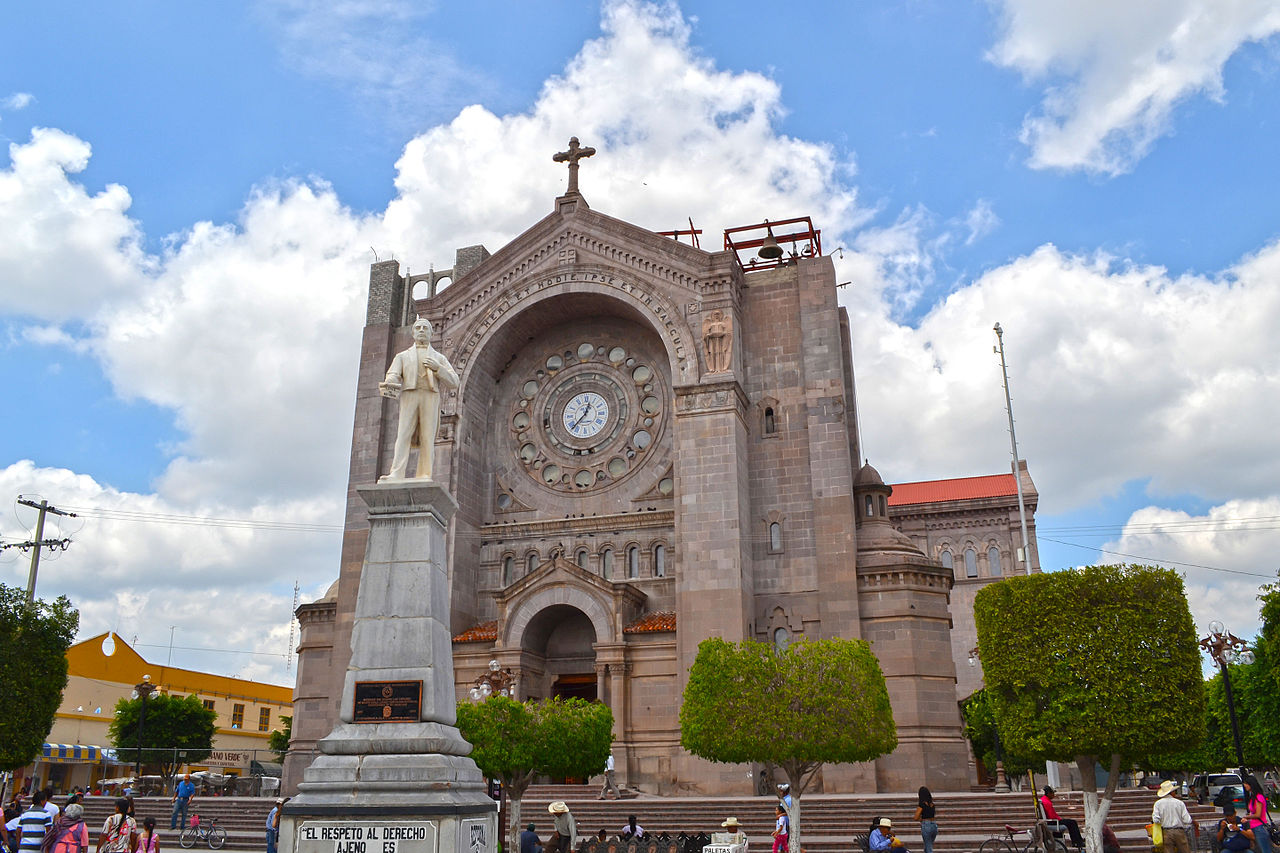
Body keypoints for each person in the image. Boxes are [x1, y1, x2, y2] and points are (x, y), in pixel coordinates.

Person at [379, 316, 460, 481]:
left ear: (431, 333)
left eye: (425, 328)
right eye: (418, 328)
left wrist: (438, 369)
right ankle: (397, 472)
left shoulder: (439, 358)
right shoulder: (402, 356)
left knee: (427, 436)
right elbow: (393, 374)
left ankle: (424, 473)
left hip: (430, 396)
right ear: (413, 333)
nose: (421, 331)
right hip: (410, 394)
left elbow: (454, 382)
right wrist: (391, 381)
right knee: (403, 434)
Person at [1153, 780, 1195, 853]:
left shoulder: (1158, 804)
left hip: (1166, 831)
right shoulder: (1179, 803)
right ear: (1172, 792)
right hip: (1179, 831)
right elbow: (1187, 820)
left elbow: (1156, 820)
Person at [914, 786, 937, 853]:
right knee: (928, 845)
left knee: (928, 846)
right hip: (934, 825)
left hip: (926, 825)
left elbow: (916, 817)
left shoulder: (922, 805)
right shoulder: (932, 804)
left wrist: (920, 819)